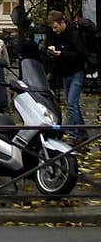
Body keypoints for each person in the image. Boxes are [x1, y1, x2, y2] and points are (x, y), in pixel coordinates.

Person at [45, 10, 89, 144]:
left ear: (61, 23)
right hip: (66, 73)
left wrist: (61, 54)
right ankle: (82, 132)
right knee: (72, 104)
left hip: (76, 72)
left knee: (71, 103)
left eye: (55, 27)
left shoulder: (73, 34)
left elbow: (80, 54)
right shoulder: (58, 35)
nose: (54, 30)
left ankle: (74, 134)